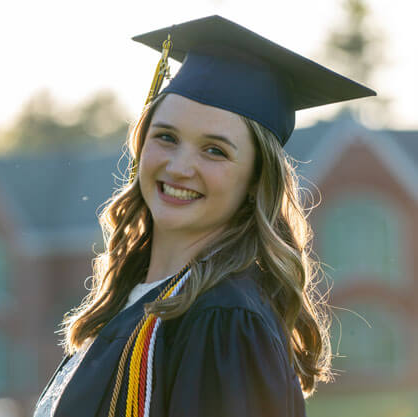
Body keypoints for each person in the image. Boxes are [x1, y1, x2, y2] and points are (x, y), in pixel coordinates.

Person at [33, 15, 375, 417]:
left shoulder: (225, 321)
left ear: (254, 179)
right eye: (166, 137)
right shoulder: (138, 301)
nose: (179, 167)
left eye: (214, 150)